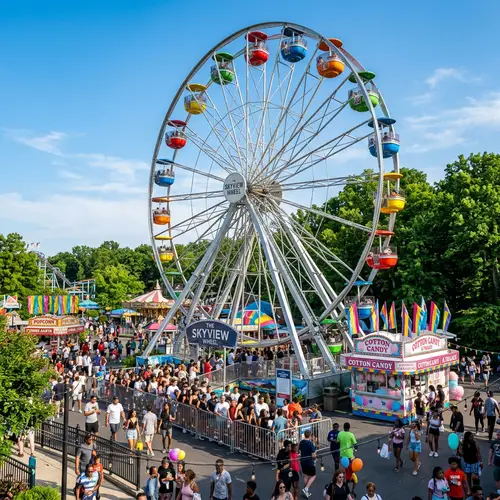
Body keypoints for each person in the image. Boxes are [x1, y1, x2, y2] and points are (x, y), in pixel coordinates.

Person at [299, 429, 316, 498]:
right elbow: (313, 455)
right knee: (313, 476)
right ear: (310, 435)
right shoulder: (310, 443)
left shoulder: (301, 442)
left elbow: (299, 450)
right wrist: (315, 458)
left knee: (306, 475)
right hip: (309, 461)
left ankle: (305, 492)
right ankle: (306, 489)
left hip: (303, 461)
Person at [488, 429, 500, 495]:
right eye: (497, 435)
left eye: (499, 435)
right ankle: (498, 490)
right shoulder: (494, 442)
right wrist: (489, 460)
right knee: (497, 478)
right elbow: (491, 451)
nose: (498, 436)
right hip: (497, 464)